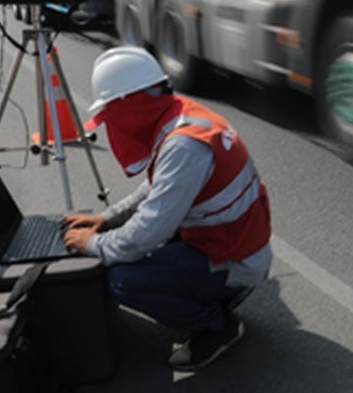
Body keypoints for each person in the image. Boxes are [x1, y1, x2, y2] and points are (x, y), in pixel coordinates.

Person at [62, 47, 272, 371]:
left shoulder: (184, 145)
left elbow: (150, 229)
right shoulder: (180, 115)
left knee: (123, 279)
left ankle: (216, 325)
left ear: (129, 104)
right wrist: (107, 218)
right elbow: (157, 187)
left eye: (110, 114)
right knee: (134, 249)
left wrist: (94, 244)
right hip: (232, 242)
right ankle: (214, 293)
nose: (109, 125)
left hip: (235, 258)